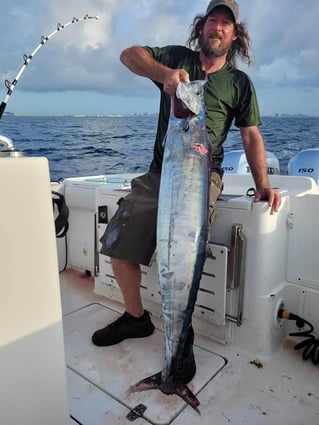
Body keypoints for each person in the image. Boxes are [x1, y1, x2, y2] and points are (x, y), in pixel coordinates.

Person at [92, 0, 282, 384]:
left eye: (226, 23)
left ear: (235, 34)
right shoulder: (178, 59)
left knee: (184, 258)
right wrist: (164, 73)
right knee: (117, 244)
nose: (218, 27)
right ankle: (136, 318)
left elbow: (251, 134)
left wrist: (263, 183)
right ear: (202, 27)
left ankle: (182, 336)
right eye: (213, 19)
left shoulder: (239, 84)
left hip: (202, 178)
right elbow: (129, 55)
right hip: (162, 171)